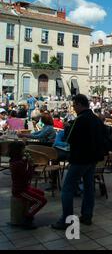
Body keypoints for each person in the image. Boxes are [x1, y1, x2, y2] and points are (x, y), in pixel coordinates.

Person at [52, 94, 105, 229]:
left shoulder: (79, 120)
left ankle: (67, 219)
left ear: (81, 104)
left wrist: (67, 127)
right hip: (92, 159)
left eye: (75, 105)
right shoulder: (96, 119)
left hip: (80, 159)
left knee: (67, 189)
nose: (74, 108)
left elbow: (68, 139)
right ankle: (87, 215)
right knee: (89, 188)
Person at [9, 141, 47, 229]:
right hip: (20, 190)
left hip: (24, 187)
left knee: (41, 193)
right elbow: (29, 176)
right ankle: (27, 218)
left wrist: (26, 161)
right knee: (42, 201)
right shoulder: (18, 164)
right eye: (23, 149)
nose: (25, 150)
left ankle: (28, 211)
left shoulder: (16, 160)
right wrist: (31, 165)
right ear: (18, 151)